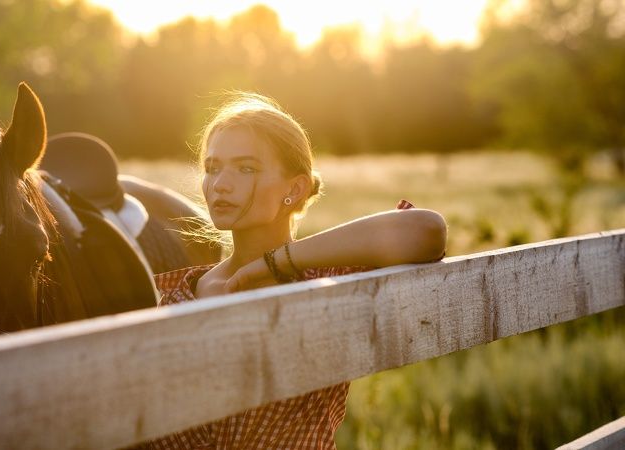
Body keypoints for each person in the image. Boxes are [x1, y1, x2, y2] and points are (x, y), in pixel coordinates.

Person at [139, 92, 447, 449]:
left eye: (246, 168)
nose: (219, 183)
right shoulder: (180, 292)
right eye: (212, 167)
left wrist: (276, 262)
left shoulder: (326, 280)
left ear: (294, 188)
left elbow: (426, 231)